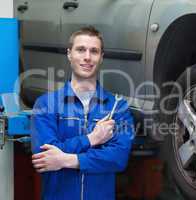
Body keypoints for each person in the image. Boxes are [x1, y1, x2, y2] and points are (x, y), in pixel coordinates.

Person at [31, 26, 134, 200]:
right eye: (81, 50)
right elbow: (44, 157)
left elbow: (118, 158)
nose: (87, 57)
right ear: (69, 54)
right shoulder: (46, 104)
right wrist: (91, 139)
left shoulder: (117, 107)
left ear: (101, 57)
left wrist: (65, 160)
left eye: (94, 51)